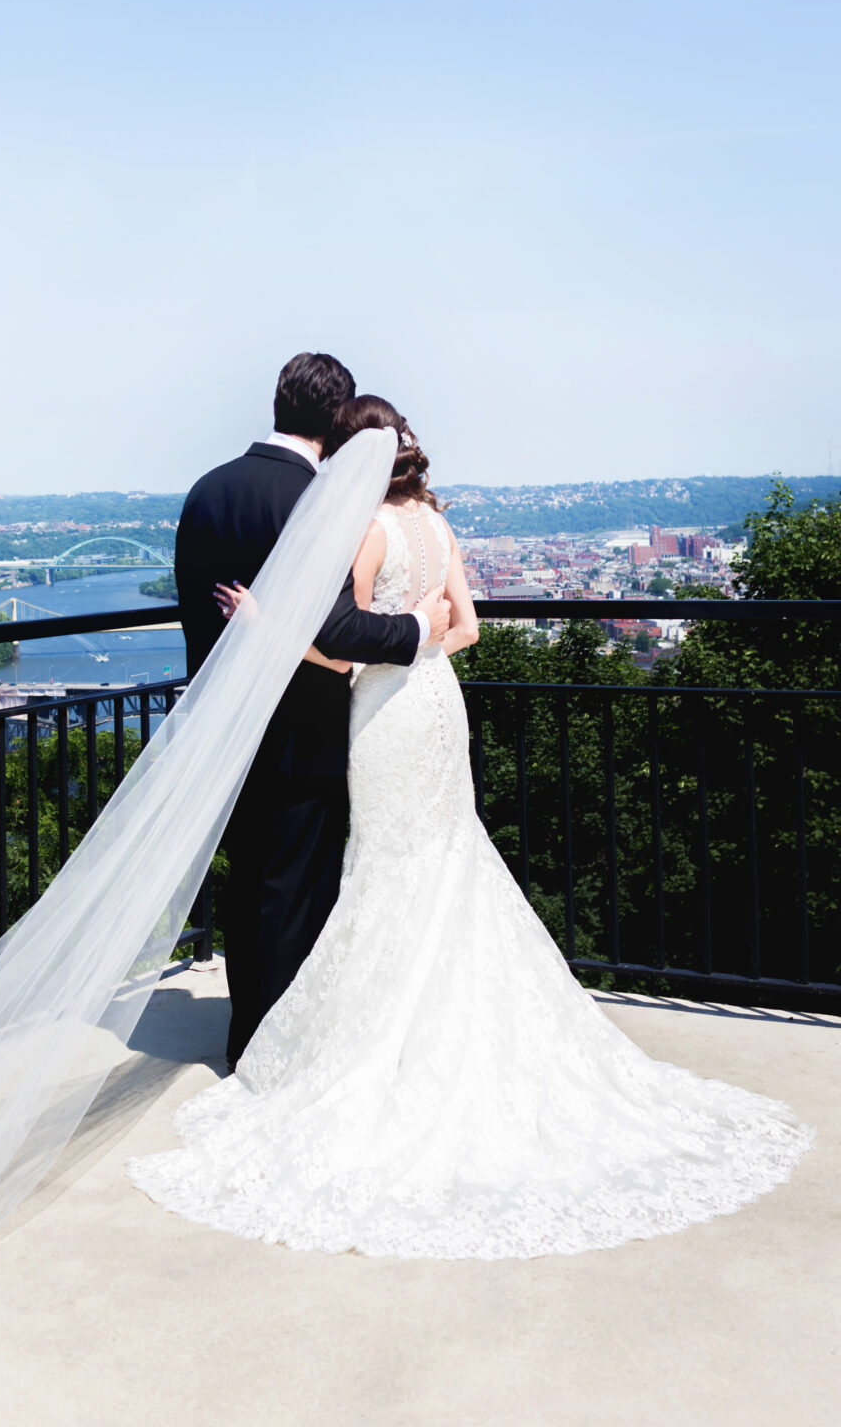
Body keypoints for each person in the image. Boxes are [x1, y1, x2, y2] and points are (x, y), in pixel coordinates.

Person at [128, 396, 813, 1258]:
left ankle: (385, 1039)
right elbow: (470, 629)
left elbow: (342, 647)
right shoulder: (438, 526)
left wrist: (273, 628)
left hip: (384, 715)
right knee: (446, 857)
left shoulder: (365, 530)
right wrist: (421, 643)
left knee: (387, 866)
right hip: (437, 710)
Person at [174, 353, 451, 1069]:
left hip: (222, 728)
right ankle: (280, 1047)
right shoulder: (316, 500)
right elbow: (337, 629)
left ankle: (245, 1033)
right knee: (296, 889)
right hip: (300, 727)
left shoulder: (206, 491)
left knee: (247, 883)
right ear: (336, 419)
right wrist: (416, 628)